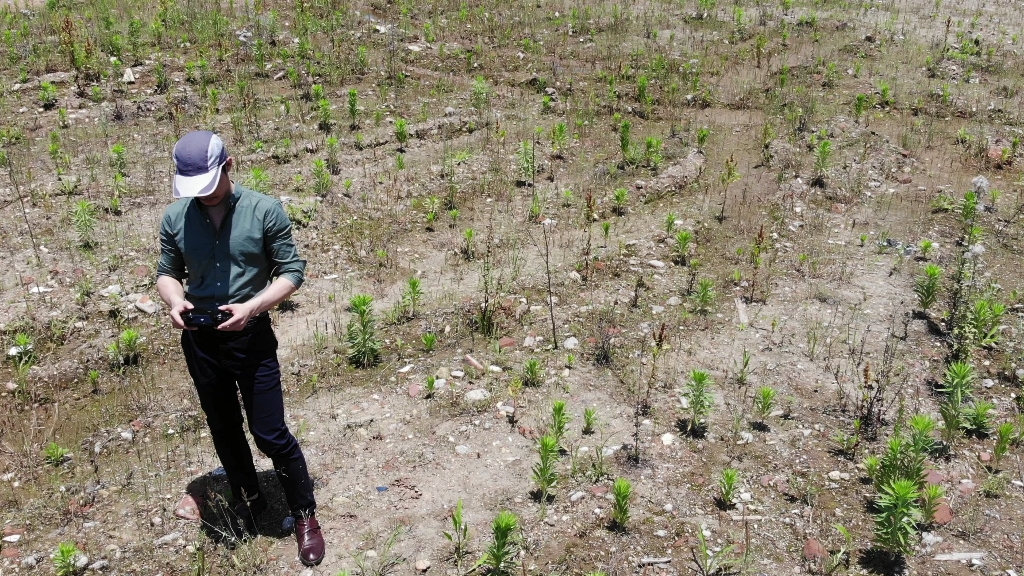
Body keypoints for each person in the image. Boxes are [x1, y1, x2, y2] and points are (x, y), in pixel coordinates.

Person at [156, 130, 325, 567]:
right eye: (196, 190)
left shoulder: (264, 210)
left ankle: (304, 513)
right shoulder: (176, 218)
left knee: (269, 431)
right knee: (223, 424)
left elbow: (292, 271)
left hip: (249, 336)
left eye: (210, 186)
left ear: (229, 166)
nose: (205, 197)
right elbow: (167, 272)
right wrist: (175, 301)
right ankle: (249, 499)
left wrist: (252, 306)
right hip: (200, 338)